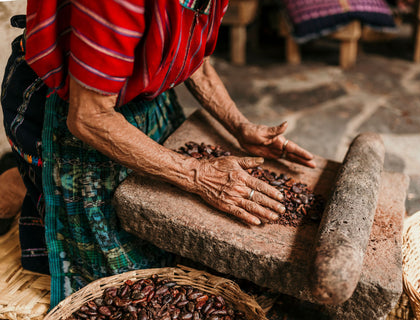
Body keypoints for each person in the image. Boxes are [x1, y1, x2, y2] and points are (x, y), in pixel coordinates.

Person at [1, 0, 316, 307]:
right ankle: (25, 182)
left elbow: (193, 57)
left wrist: (240, 126)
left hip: (144, 96)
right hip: (72, 106)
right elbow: (89, 117)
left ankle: (33, 181)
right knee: (124, 272)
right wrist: (198, 174)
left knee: (171, 234)